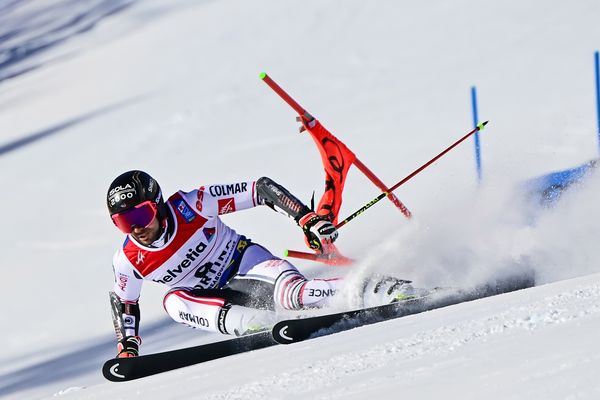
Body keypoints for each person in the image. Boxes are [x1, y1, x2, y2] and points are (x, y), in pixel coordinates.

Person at [107, 170, 413, 358]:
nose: (135, 227)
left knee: (292, 296)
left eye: (140, 215)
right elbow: (126, 303)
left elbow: (260, 189)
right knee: (173, 302)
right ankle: (253, 326)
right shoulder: (129, 259)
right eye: (123, 221)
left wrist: (305, 218)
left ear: (158, 205)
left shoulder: (193, 204)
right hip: (217, 301)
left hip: (245, 264)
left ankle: (383, 288)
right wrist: (128, 346)